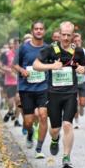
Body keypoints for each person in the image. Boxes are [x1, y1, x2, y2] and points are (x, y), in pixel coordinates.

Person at [32, 21, 85, 168]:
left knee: (68, 124)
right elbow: (36, 65)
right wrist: (51, 66)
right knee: (55, 129)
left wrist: (83, 69)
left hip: (70, 93)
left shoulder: (78, 51)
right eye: (63, 35)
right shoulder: (50, 49)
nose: (66, 38)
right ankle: (55, 139)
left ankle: (66, 156)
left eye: (69, 35)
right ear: (59, 34)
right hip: (54, 94)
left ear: (73, 35)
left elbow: (84, 67)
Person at [15, 21, 50, 158]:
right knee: (28, 121)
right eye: (36, 29)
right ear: (32, 31)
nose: (39, 31)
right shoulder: (23, 48)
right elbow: (14, 65)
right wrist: (22, 70)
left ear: (44, 31)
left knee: (42, 115)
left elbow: (53, 64)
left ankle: (39, 148)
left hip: (43, 87)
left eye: (41, 29)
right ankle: (29, 133)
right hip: (27, 88)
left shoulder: (48, 48)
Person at [0, 38, 20, 125]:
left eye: (19, 44)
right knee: (11, 102)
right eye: (16, 44)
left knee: (18, 101)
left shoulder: (22, 54)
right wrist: (9, 71)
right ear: (14, 45)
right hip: (10, 81)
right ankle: (10, 111)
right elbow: (2, 66)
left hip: (20, 82)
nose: (18, 46)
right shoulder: (7, 54)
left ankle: (16, 120)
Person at [73, 32, 85, 128]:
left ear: (81, 41)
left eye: (78, 40)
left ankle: (82, 108)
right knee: (75, 103)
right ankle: (76, 121)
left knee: (82, 103)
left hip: (83, 80)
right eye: (75, 41)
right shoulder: (70, 52)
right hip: (73, 81)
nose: (77, 42)